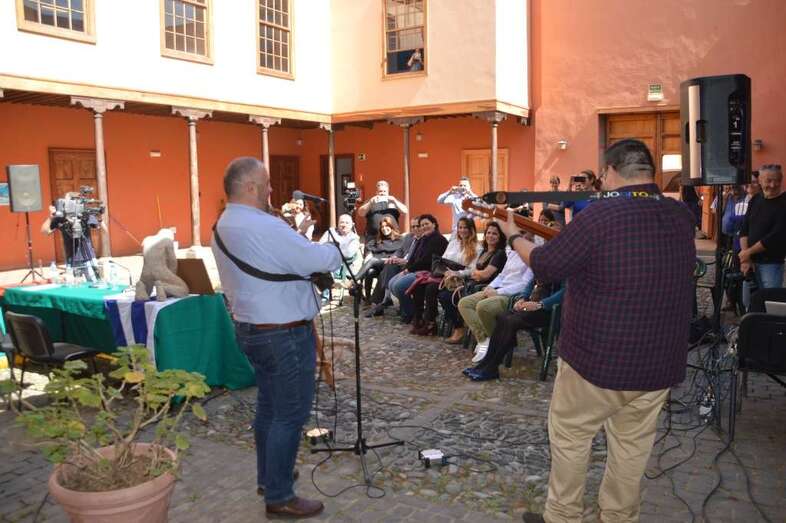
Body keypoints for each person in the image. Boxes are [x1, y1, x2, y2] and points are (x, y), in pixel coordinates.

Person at [499, 139, 695, 523]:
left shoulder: (599, 216)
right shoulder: (681, 215)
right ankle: (618, 518)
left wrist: (513, 235)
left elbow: (547, 265)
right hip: (658, 363)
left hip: (596, 361)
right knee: (632, 447)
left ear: (610, 172)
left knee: (571, 436)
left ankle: (563, 516)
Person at [211, 157, 340, 519]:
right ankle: (280, 496)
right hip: (283, 332)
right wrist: (333, 249)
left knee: (269, 407)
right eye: (266, 184)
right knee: (290, 413)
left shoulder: (223, 223)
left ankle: (269, 478)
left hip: (252, 328)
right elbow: (317, 260)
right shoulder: (263, 225)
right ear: (250, 186)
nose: (271, 190)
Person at [464, 280, 564, 381]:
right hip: (533, 305)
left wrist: (541, 304)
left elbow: (565, 292)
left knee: (510, 321)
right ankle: (485, 364)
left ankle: (491, 367)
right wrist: (522, 298)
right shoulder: (544, 270)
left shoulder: (565, 271)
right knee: (502, 317)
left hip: (551, 310)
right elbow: (531, 282)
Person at [457, 247, 534, 363]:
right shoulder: (513, 253)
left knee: (483, 307)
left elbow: (524, 285)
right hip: (498, 289)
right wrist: (490, 287)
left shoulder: (531, 255)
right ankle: (484, 340)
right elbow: (502, 275)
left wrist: (498, 292)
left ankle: (494, 344)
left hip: (512, 295)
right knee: (464, 303)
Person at [409, 217, 479, 335]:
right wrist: (444, 271)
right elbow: (443, 259)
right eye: (460, 227)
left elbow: (472, 269)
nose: (462, 230)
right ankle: (422, 319)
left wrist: (457, 273)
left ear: (471, 230)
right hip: (444, 274)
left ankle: (436, 324)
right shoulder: (453, 243)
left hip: (459, 279)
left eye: (465, 228)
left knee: (433, 290)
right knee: (419, 286)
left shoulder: (476, 247)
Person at [441, 222, 508, 344]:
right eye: (488, 233)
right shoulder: (484, 251)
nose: (490, 236)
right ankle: (462, 327)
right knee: (443, 294)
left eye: (495, 234)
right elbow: (476, 272)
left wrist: (473, 273)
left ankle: (465, 330)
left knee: (448, 297)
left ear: (500, 237)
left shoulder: (499, 254)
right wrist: (474, 273)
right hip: (472, 284)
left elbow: (486, 274)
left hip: (485, 288)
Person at [389, 214, 447, 324]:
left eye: (426, 224)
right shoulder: (423, 239)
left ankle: (410, 313)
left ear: (434, 224)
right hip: (417, 270)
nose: (424, 227)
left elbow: (426, 261)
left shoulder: (438, 239)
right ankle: (410, 310)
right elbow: (413, 258)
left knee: (398, 286)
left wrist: (409, 270)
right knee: (391, 283)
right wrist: (406, 269)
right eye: (422, 225)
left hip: (428, 272)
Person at [739, 164, 786, 296]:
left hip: (771, 264)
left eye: (777, 180)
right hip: (750, 263)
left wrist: (747, 253)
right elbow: (744, 229)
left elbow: (776, 236)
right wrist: (746, 258)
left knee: (769, 300)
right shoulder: (755, 199)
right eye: (768, 181)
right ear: (760, 181)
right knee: (749, 301)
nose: (773, 185)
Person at [364, 217, 421, 317]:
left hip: (413, 267)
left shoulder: (424, 239)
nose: (415, 229)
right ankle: (384, 300)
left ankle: (380, 302)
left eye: (417, 226)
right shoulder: (409, 237)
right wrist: (394, 257)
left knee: (385, 270)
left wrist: (406, 261)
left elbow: (421, 260)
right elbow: (400, 251)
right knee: (388, 266)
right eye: (413, 227)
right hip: (400, 264)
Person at [41, 192, 104, 281]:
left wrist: (98, 216)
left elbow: (102, 229)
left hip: (88, 258)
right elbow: (45, 231)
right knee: (75, 285)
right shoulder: (60, 218)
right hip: (71, 259)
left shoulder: (85, 215)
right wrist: (50, 217)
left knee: (94, 283)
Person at [356, 215, 404, 300]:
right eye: (382, 227)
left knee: (372, 260)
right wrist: (368, 254)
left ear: (392, 227)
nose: (384, 229)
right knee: (370, 272)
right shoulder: (377, 240)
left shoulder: (400, 240)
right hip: (378, 266)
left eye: (386, 226)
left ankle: (355, 279)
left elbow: (400, 254)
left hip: (390, 265)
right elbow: (369, 249)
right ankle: (368, 298)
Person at [318, 213, 361, 300]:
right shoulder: (330, 232)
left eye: (347, 223)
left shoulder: (354, 237)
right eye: (341, 222)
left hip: (345, 266)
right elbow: (320, 246)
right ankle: (325, 292)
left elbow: (348, 254)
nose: (344, 225)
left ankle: (328, 290)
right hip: (328, 262)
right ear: (338, 224)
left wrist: (330, 247)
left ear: (352, 225)